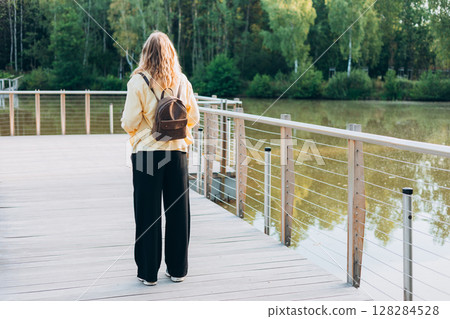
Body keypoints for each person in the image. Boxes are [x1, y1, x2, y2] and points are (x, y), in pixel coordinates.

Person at [121, 31, 200, 286]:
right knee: (178, 213)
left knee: (147, 213)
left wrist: (144, 133)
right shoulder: (182, 81)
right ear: (171, 53)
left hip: (147, 155)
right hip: (177, 153)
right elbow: (193, 118)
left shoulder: (138, 82)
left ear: (146, 53)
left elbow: (129, 122)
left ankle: (148, 273)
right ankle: (177, 270)